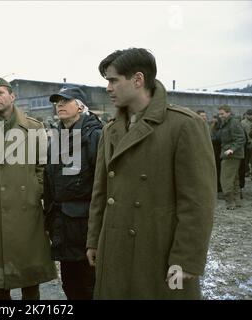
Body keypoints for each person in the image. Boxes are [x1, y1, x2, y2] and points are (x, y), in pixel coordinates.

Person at [86, 48, 216, 299]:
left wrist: (186, 259)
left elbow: (197, 203)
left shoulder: (184, 125)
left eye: (113, 80)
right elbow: (100, 192)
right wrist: (94, 240)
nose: (108, 88)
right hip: (114, 247)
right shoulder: (110, 130)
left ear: (137, 80)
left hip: (158, 251)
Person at [0, 75, 56, 300]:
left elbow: (42, 166)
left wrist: (35, 190)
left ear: (12, 96)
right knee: (0, 282)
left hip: (27, 209)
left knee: (30, 279)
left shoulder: (34, 128)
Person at [44, 86, 102, 299]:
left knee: (90, 285)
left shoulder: (95, 135)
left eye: (65, 101)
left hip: (86, 225)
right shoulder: (56, 138)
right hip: (62, 224)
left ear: (80, 107)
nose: (59, 105)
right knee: (70, 286)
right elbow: (49, 183)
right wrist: (48, 218)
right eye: (57, 101)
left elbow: (102, 183)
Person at [217, 105, 246, 209]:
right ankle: (236, 201)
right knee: (234, 178)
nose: (220, 116)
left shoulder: (233, 123)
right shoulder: (226, 122)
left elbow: (241, 138)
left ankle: (230, 202)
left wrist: (232, 149)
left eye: (222, 114)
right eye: (219, 114)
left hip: (232, 154)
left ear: (229, 112)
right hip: (229, 153)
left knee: (226, 178)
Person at [240, 109, 252, 176]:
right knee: (246, 159)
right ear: (246, 115)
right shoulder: (243, 123)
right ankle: (247, 171)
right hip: (246, 143)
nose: (251, 116)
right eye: (249, 115)